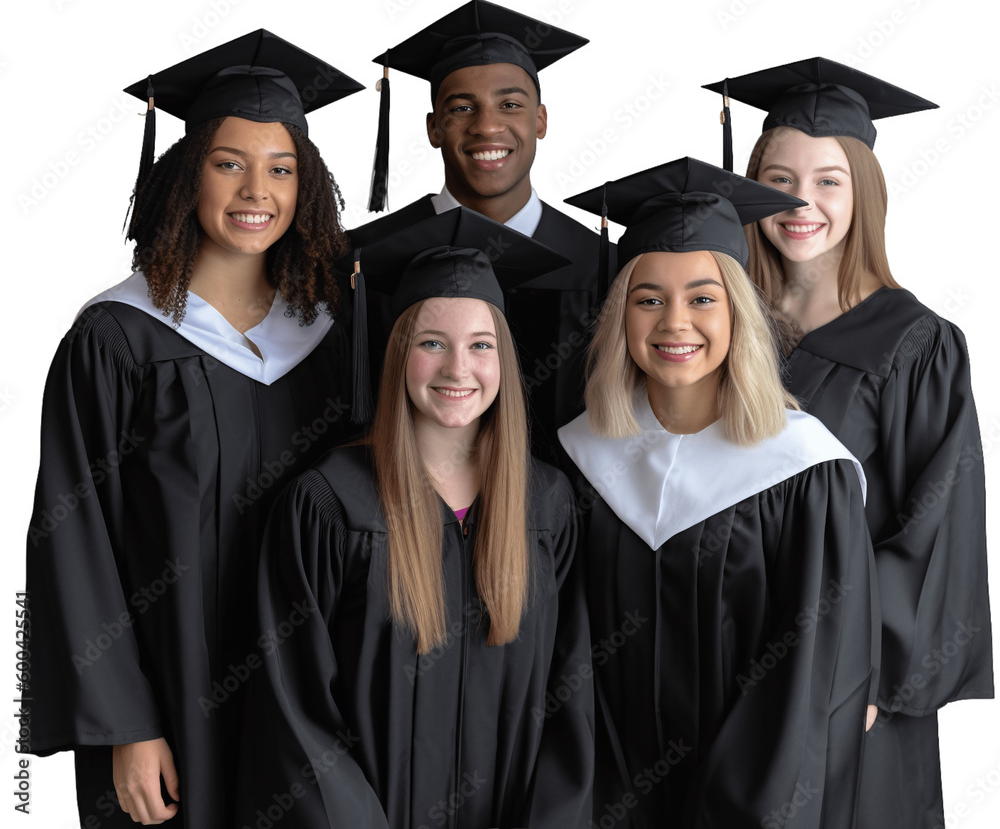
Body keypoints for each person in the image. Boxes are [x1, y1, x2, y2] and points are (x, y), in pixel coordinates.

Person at [24, 30, 362, 829]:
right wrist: (126, 726)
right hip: (169, 696)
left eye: (281, 168)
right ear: (185, 175)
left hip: (310, 696)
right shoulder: (118, 339)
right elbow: (76, 539)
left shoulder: (332, 337)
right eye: (228, 163)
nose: (258, 190)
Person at [239, 208, 593, 829]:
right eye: (433, 343)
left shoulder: (548, 504)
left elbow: (572, 697)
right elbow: (292, 707)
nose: (459, 369)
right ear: (398, 354)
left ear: (504, 361)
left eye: (481, 345)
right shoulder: (329, 504)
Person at [709, 57, 994, 829]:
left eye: (829, 179)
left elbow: (934, 531)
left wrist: (863, 675)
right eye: (778, 176)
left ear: (864, 192)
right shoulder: (713, 331)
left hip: (843, 685)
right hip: (718, 661)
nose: (801, 201)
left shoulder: (915, 344)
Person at [558, 158, 878, 828]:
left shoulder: (803, 472)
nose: (675, 323)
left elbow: (809, 685)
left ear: (739, 313)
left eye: (703, 298)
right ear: (620, 315)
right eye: (648, 299)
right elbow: (562, 667)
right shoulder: (576, 462)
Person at [348, 0, 611, 461]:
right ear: (434, 129)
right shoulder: (364, 257)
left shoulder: (601, 264)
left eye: (509, 104)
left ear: (541, 120)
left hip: (564, 521)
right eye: (463, 108)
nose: (487, 125)